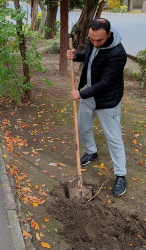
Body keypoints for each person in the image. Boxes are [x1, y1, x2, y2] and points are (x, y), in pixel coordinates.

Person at [66, 18, 127, 196]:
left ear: (109, 34)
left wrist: (81, 94)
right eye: (91, 40)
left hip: (107, 100)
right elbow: (89, 56)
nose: (95, 43)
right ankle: (91, 152)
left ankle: (121, 175)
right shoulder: (94, 40)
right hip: (89, 96)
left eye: (99, 40)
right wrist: (76, 55)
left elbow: (106, 82)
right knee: (83, 128)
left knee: (113, 137)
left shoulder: (118, 53)